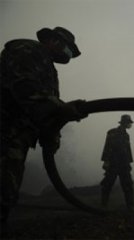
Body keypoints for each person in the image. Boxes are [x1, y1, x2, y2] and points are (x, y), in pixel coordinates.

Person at [0, 27, 87, 231]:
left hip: (15, 137)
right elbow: (25, 88)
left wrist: (51, 134)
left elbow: (44, 109)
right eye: (68, 49)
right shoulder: (26, 49)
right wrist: (60, 108)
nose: (68, 55)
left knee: (6, 189)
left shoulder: (46, 65)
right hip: (4, 129)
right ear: (55, 41)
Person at [100, 114, 134, 214]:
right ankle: (103, 206)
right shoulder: (112, 132)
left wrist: (129, 163)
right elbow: (107, 147)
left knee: (128, 185)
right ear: (124, 123)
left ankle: (131, 206)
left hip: (124, 164)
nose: (130, 124)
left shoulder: (126, 135)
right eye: (129, 122)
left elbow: (127, 150)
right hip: (113, 163)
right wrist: (106, 161)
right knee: (107, 184)